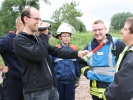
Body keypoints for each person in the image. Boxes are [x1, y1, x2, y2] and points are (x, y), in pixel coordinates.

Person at [13, 7, 88, 100]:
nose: (39, 22)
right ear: (26, 19)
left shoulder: (37, 39)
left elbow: (56, 51)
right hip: (36, 91)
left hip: (51, 87)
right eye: (36, 19)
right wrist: (44, 35)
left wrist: (77, 53)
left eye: (40, 19)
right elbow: (38, 56)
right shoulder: (20, 40)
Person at [79, 20, 126, 100]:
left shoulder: (117, 44)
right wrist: (88, 73)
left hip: (114, 92)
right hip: (96, 93)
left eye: (100, 29)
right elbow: (81, 63)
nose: (97, 33)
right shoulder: (89, 47)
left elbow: (127, 66)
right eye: (95, 30)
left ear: (105, 29)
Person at [102, 17, 133, 100]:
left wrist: (106, 95)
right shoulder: (128, 50)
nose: (121, 31)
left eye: (125, 29)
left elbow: (122, 88)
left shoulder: (131, 58)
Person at [50, 23, 81, 100]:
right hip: (58, 82)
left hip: (71, 82)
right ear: (60, 37)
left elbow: (77, 65)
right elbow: (50, 66)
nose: (67, 38)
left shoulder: (74, 49)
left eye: (68, 36)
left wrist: (77, 78)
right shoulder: (55, 50)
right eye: (64, 36)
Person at [0, 16, 24, 100]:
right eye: (24, 25)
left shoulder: (27, 41)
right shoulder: (8, 40)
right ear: (18, 26)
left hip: (26, 83)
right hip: (12, 83)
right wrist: (1, 67)